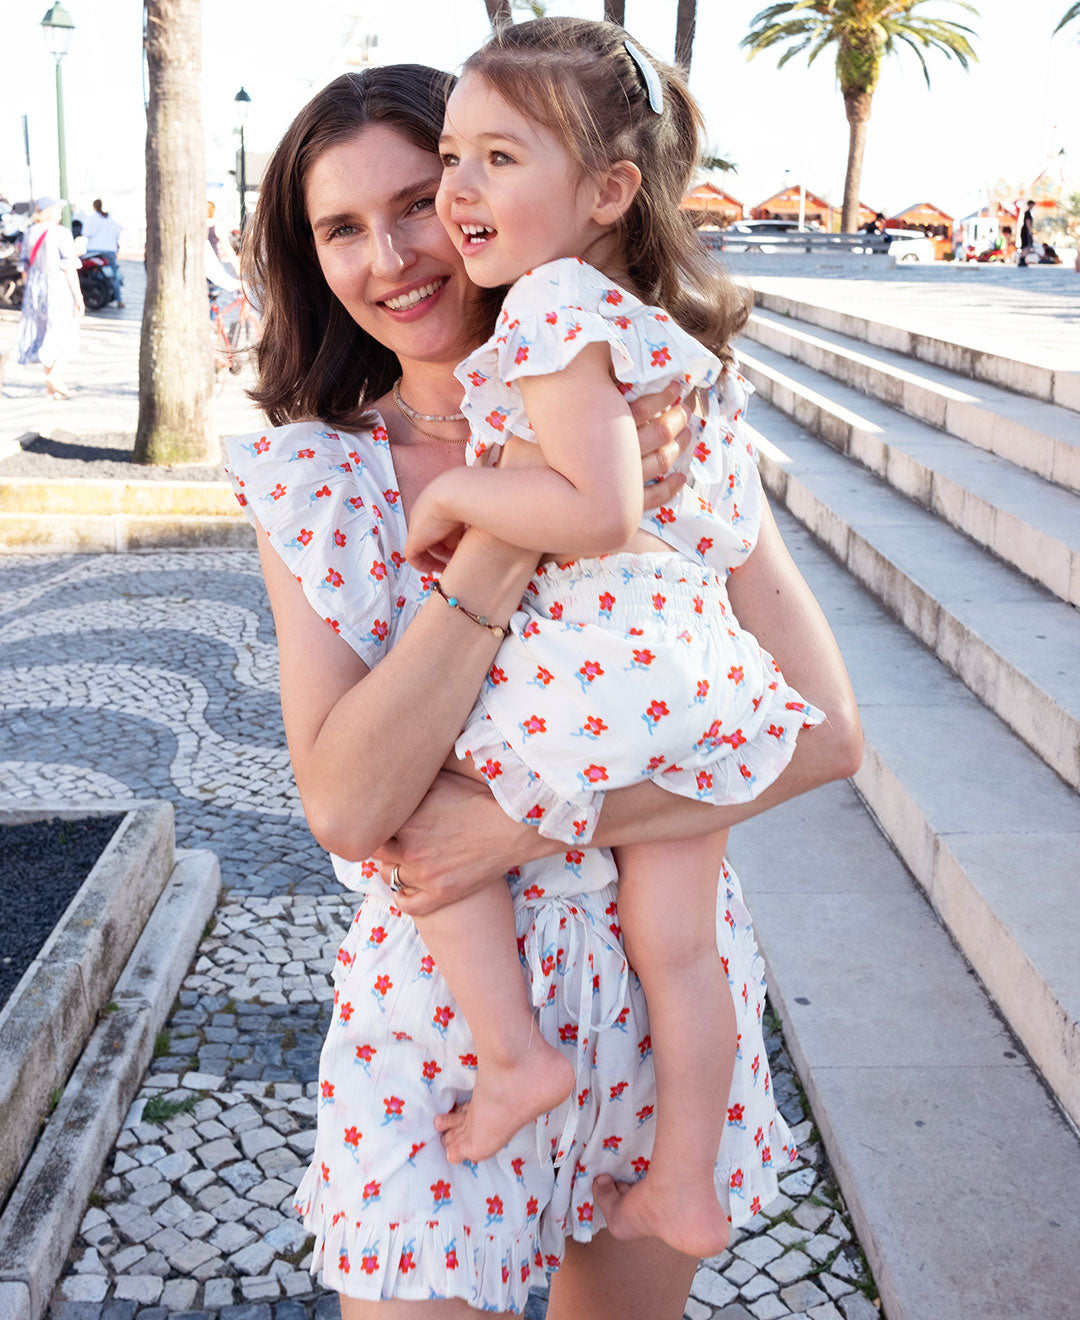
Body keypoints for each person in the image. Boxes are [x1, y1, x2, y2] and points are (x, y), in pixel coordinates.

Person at [225, 54, 860, 1320]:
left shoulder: (674, 422)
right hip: (443, 1016)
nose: (396, 254)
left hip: (654, 985)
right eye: (341, 228)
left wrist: (530, 819)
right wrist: (520, 529)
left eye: (422, 197)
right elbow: (349, 808)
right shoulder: (313, 479)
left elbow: (825, 737)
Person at [391, 19, 824, 1258]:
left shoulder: (550, 305)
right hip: (682, 656)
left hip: (600, 654)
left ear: (607, 191)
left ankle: (517, 1057)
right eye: (451, 156)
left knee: (415, 813)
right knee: (676, 946)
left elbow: (593, 510)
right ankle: (686, 1176)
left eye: (498, 159)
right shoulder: (633, 317)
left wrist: (453, 496)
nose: (456, 189)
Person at [14, 196, 83, 398]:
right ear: (49, 211)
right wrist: (78, 296)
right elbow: (69, 267)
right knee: (65, 330)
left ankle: (50, 389)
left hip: (35, 289)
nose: (60, 213)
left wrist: (30, 291)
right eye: (57, 209)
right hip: (57, 286)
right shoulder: (61, 233)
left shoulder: (29, 232)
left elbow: (24, 266)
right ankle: (54, 375)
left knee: (44, 333)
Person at [80, 198, 123, 307]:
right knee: (113, 275)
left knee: (88, 272)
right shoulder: (110, 219)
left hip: (94, 249)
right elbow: (117, 233)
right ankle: (119, 299)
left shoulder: (92, 219)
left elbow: (86, 233)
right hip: (110, 250)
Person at [1018, 199, 1035, 266]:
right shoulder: (1027, 212)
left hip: (1025, 231)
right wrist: (1029, 231)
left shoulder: (1028, 212)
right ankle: (1021, 260)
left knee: (1026, 246)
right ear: (1030, 204)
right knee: (1026, 246)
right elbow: (1028, 222)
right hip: (1026, 231)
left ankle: (1022, 260)